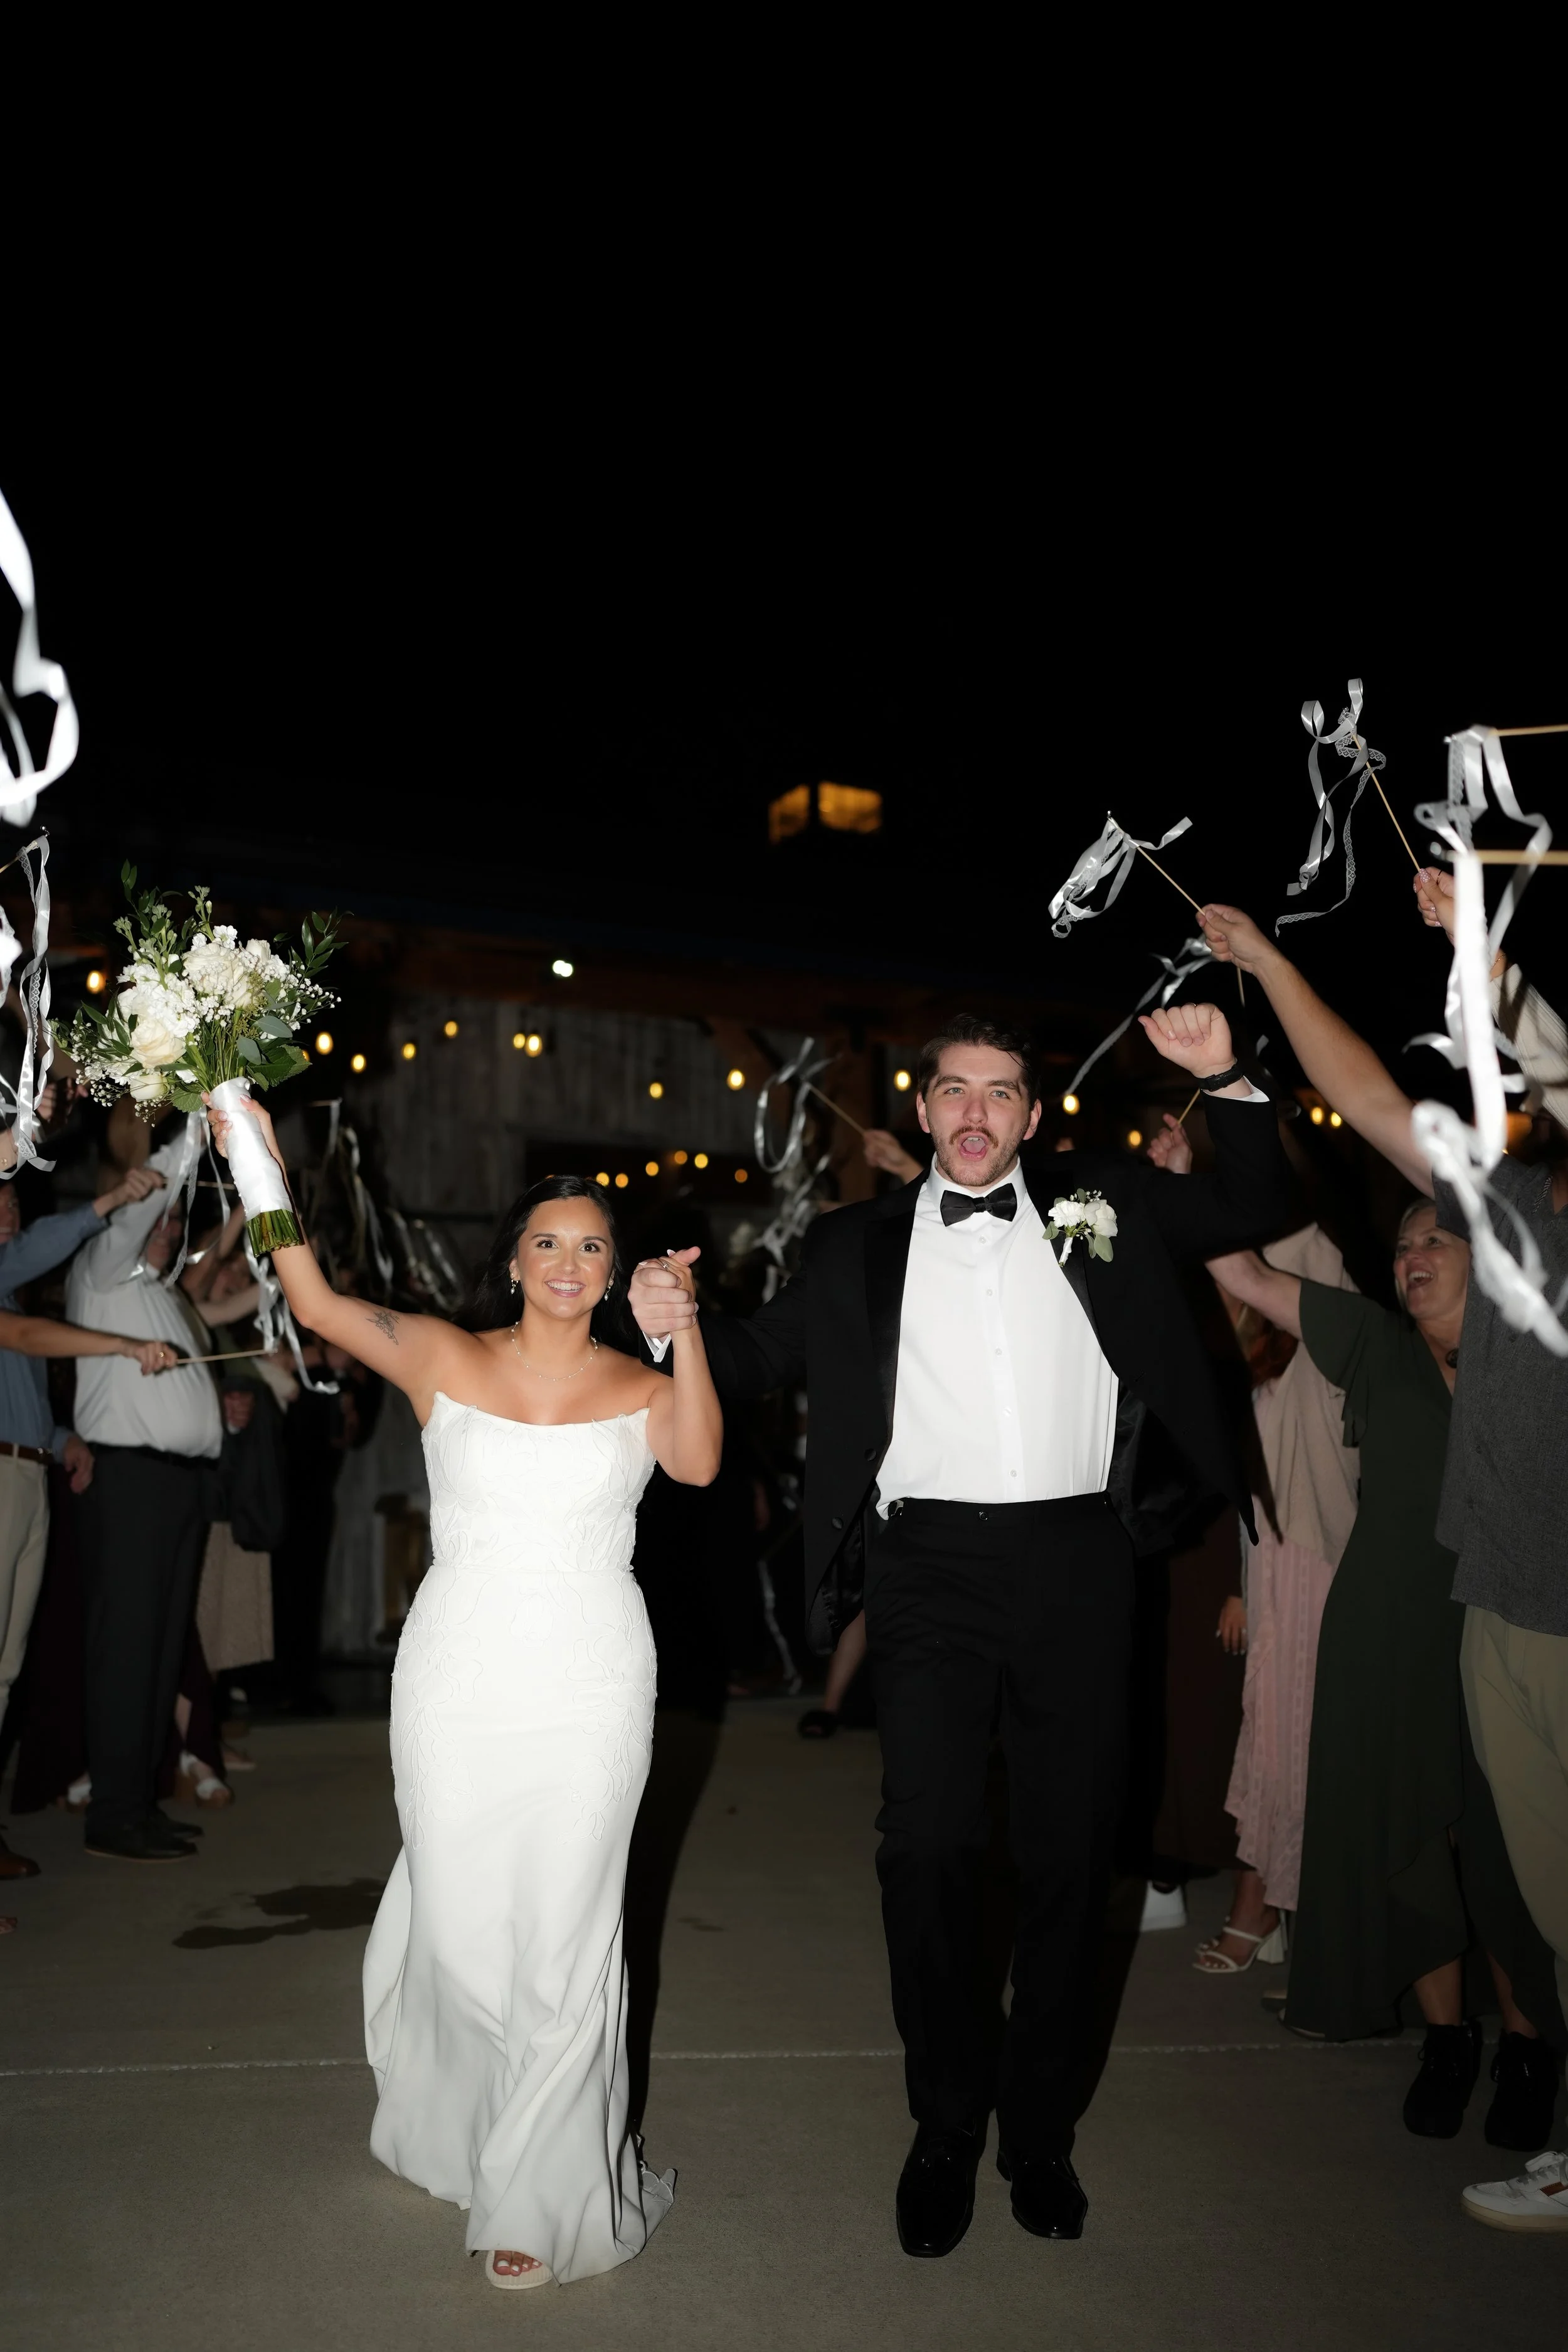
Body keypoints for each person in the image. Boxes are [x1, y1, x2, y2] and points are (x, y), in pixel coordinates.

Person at [631, 1007, 1291, 2254]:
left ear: (1031, 1117)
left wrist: (1225, 1076)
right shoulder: (849, 1245)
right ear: (923, 1109)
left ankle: (1036, 2132)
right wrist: (659, 1316)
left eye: (1001, 1093)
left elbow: (1249, 1199)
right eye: (954, 1091)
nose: (977, 1112)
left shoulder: (1107, 1199)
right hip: (925, 1561)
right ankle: (943, 2123)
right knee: (924, 1846)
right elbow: (759, 1355)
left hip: (1080, 1558)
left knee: (1065, 1853)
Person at [208, 1093, 721, 2292]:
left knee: (571, 1929)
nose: (568, 1259)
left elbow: (696, 1461)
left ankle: (538, 2194)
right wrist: (251, 1153)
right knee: (463, 1912)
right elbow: (320, 1301)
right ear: (512, 1261)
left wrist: (683, 1327)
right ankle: (465, 2115)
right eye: (548, 1239)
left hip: (594, 1676)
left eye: (592, 1245)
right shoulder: (443, 1354)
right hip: (458, 1672)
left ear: (611, 1274)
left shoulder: (641, 1389)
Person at [1199, 894, 1567, 2195]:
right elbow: (1357, 1091)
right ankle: (1483, 2053)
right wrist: (1265, 962)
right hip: (1490, 1616)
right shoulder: (1486, 1222)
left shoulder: (1543, 1227)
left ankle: (1536, 2070)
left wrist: (1477, 944)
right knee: (1491, 1864)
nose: (1417, 1248)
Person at [0, 1126, 183, 1886]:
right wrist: (109, 1200)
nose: (9, 1210)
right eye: (0, 1198)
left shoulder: (7, 1279)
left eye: (13, 1197)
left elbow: (20, 1381)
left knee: (5, 1669)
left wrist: (62, 1435)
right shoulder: (12, 1283)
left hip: (28, 1472)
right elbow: (25, 1330)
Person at [66, 1132, 226, 1863]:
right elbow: (142, 1204)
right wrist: (194, 1124)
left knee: (159, 1651)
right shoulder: (102, 1272)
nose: (167, 1231)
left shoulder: (155, 1295)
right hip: (131, 1483)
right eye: (158, 1222)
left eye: (171, 1224)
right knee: (128, 1649)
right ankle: (114, 1813)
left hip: (171, 1488)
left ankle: (138, 1801)